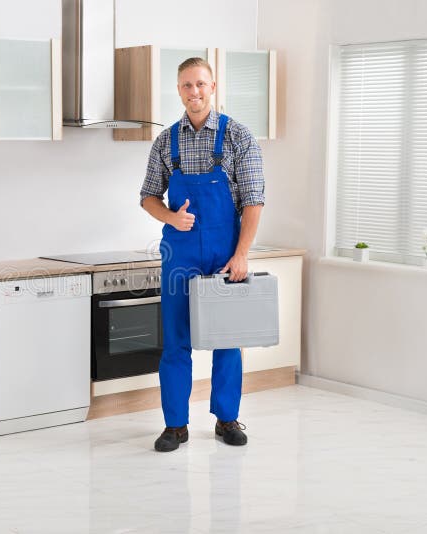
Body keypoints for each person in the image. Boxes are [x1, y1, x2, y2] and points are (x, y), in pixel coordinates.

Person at [140, 57, 265, 452]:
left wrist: (242, 254)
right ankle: (175, 425)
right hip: (179, 255)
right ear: (179, 90)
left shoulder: (238, 136)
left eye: (200, 84)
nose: (193, 92)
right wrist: (170, 217)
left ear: (212, 87)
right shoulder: (165, 141)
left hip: (225, 253)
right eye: (186, 85)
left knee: (228, 338)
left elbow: (254, 201)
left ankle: (227, 419)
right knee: (176, 340)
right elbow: (148, 197)